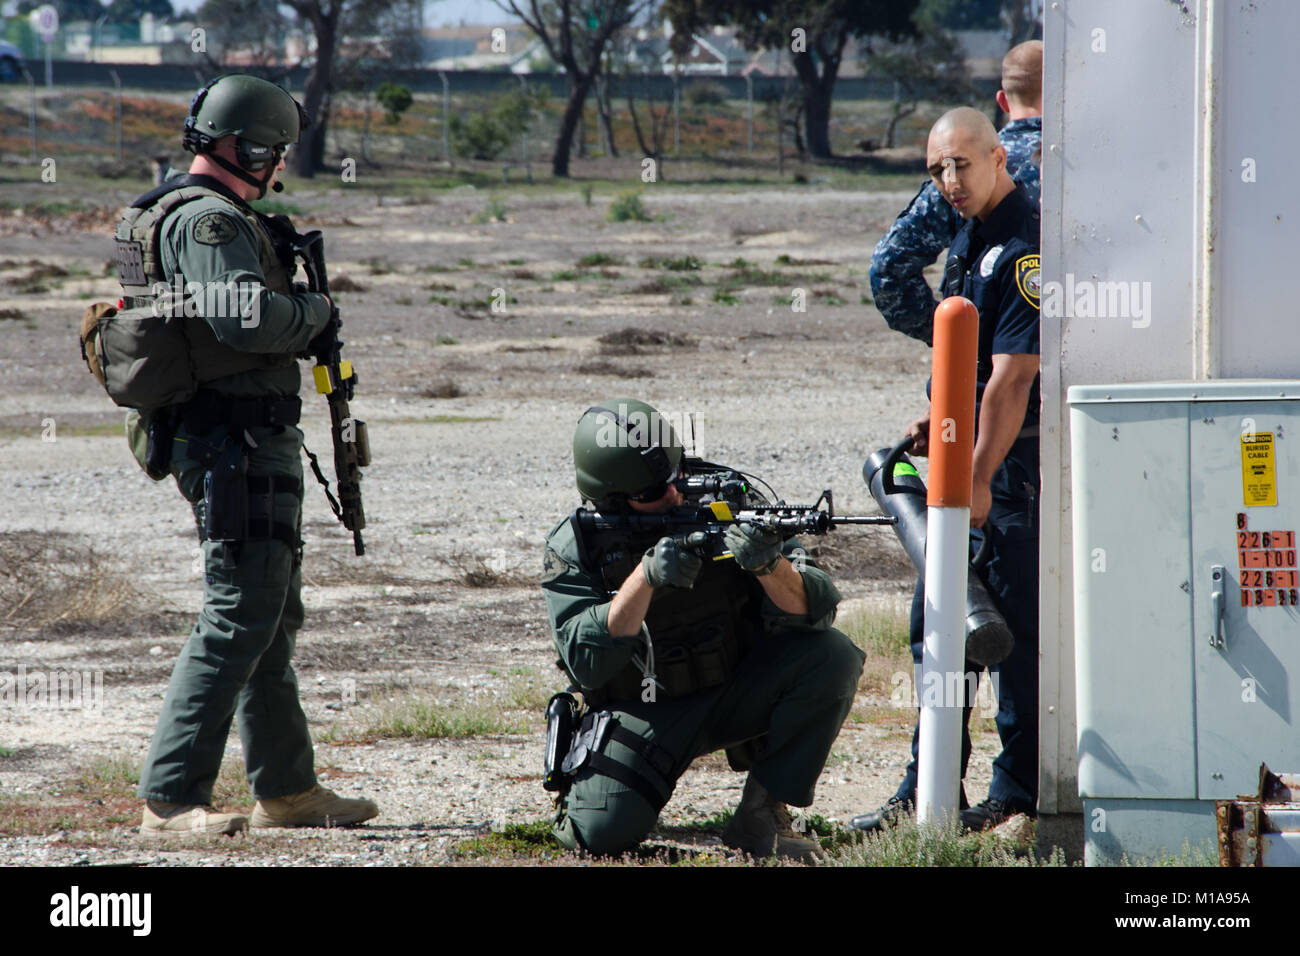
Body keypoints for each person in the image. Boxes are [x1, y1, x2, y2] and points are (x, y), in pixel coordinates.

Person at [117, 74, 378, 835]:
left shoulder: (203, 213)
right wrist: (317, 312)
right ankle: (170, 799)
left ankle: (288, 790)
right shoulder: (209, 223)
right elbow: (246, 319)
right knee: (240, 613)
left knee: (269, 612)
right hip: (231, 440)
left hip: (243, 435)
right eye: (274, 152)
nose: (279, 168)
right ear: (248, 147)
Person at [540, 400, 864, 860]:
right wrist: (644, 578)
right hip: (644, 712)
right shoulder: (578, 545)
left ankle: (761, 815)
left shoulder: (729, 500)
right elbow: (585, 663)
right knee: (601, 835)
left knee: (832, 657)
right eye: (654, 492)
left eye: (675, 477)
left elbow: (817, 611)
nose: (674, 495)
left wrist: (769, 566)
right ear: (612, 500)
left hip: (735, 690)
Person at [852, 107, 1042, 834]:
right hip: (967, 462)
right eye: (936, 169)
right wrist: (940, 424)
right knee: (936, 631)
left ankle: (1016, 797)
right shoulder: (970, 235)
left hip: (1009, 476)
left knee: (1011, 641)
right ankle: (925, 790)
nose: (949, 180)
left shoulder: (1023, 248)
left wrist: (980, 475)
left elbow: (1012, 378)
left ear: (999, 156)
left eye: (962, 164)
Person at [869, 40, 1043, 346]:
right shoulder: (1092, 169)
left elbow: (889, 267)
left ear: (1003, 101)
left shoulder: (963, 162)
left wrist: (957, 341)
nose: (951, 183)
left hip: (985, 371)